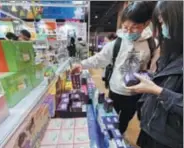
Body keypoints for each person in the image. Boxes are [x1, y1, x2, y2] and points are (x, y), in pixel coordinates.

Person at [72, 1, 156, 134]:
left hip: (135, 94)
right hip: (115, 90)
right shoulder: (117, 42)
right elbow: (100, 58)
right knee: (109, 116)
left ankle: (118, 137)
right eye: (125, 27)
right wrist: (81, 64)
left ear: (146, 24)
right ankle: (109, 136)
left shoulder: (152, 44)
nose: (129, 31)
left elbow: (153, 69)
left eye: (134, 27)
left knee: (124, 121)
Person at [126, 1, 183, 148]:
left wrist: (156, 90)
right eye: (160, 22)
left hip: (169, 139)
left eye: (164, 22)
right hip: (150, 127)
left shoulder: (152, 44)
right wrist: (150, 79)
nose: (162, 27)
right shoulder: (172, 50)